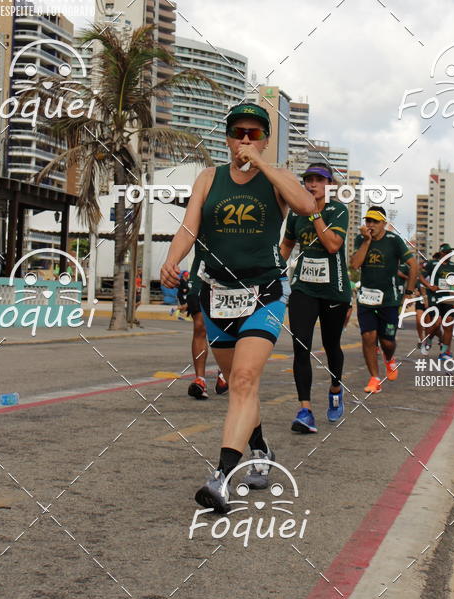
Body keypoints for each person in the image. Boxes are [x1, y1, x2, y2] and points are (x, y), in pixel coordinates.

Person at [160, 103, 315, 513]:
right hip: (216, 292)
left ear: (264, 139)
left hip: (263, 291)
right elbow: (191, 225)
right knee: (238, 384)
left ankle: (221, 478)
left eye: (254, 133)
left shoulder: (276, 178)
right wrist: (172, 260)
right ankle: (262, 451)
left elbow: (305, 206)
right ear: (227, 138)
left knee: (244, 379)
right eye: (238, 133)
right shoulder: (208, 178)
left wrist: (262, 164)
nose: (245, 139)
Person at [280, 163, 352, 434]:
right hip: (304, 289)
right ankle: (305, 410)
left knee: (332, 345)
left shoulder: (338, 211)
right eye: (308, 180)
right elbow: (287, 245)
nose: (312, 185)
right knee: (301, 345)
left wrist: (314, 215)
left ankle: (335, 387)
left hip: (334, 290)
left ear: (329, 185)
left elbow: (333, 245)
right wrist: (275, 271)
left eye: (318, 180)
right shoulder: (296, 215)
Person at [351, 206, 417, 394]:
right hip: (366, 298)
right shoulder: (360, 239)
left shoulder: (394, 241)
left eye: (375, 221)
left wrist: (409, 291)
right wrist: (366, 241)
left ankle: (389, 359)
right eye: (368, 221)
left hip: (389, 299)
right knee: (368, 337)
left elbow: (413, 265)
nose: (370, 225)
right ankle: (374, 378)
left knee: (387, 341)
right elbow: (355, 265)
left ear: (384, 224)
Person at [186, 243, 228, 399]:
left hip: (229, 275)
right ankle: (200, 380)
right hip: (200, 274)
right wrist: (171, 261)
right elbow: (186, 235)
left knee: (226, 328)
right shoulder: (198, 217)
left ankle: (224, 372)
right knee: (199, 326)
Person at [427, 243, 454, 361]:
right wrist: (429, 286)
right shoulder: (432, 264)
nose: (449, 254)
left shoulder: (453, 267)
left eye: (450, 252)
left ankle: (445, 352)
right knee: (436, 323)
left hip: (448, 300)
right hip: (434, 298)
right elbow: (419, 274)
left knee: (448, 325)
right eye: (447, 252)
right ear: (442, 253)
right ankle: (429, 338)